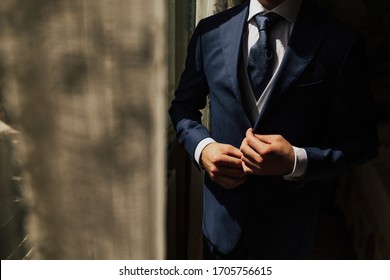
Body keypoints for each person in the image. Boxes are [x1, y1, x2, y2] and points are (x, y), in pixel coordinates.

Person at [169, 0, 379, 259]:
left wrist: (295, 161)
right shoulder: (209, 32)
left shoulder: (341, 42)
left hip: (288, 232)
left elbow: (362, 142)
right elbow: (182, 108)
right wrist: (203, 148)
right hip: (221, 226)